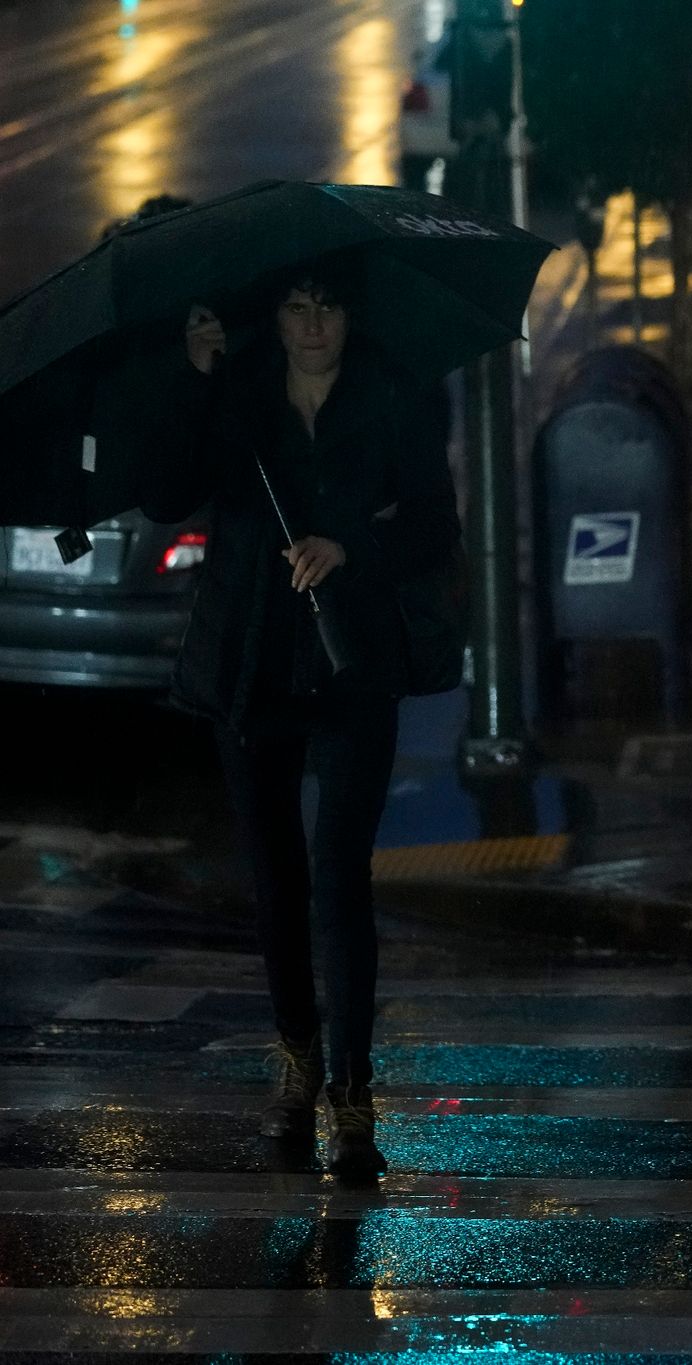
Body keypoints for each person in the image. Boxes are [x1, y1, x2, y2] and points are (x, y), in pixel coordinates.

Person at [144, 259, 461, 1178]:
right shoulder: (237, 392)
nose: (314, 322)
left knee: (340, 874)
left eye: (327, 305)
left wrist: (350, 545)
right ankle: (297, 1056)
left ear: (349, 315)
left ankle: (352, 1089)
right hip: (251, 659)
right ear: (275, 319)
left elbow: (434, 523)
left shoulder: (390, 393)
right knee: (275, 875)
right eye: (295, 306)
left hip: (352, 659)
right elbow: (167, 493)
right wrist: (195, 379)